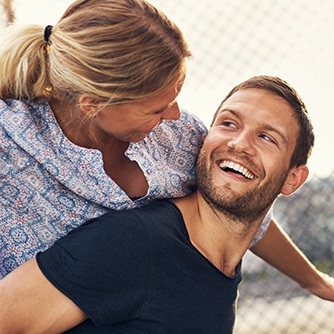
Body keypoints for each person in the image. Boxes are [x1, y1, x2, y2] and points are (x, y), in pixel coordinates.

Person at [0, 0, 332, 302]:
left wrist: (316, 283)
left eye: (175, 95)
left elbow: (244, 207)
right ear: (93, 105)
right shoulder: (10, 144)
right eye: (157, 108)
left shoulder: (179, 136)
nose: (174, 114)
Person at [1, 75, 330, 333]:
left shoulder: (222, 260)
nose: (238, 143)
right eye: (229, 123)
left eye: (266, 137)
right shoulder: (132, 245)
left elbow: (258, 223)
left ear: (293, 179)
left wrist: (318, 283)